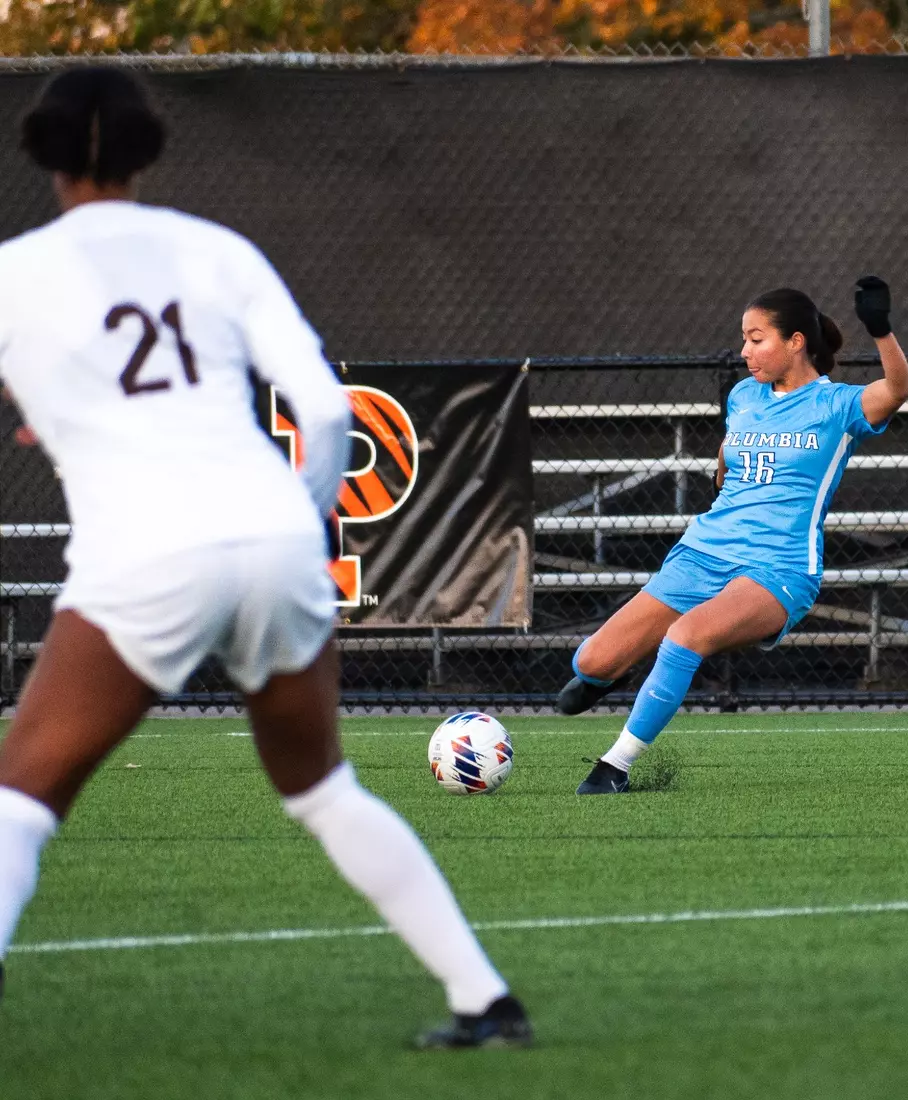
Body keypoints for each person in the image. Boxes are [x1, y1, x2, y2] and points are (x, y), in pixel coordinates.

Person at [0, 68, 529, 1048]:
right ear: (150, 151)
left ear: (38, 153)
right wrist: (300, 519)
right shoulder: (217, 252)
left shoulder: (16, 272)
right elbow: (324, 408)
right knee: (322, 787)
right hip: (279, 536)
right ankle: (484, 999)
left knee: (19, 805)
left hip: (147, 550)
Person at [560, 279, 908, 793]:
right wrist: (725, 462)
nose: (745, 351)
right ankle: (614, 675)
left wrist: (880, 329)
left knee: (686, 637)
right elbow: (731, 451)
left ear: (795, 342)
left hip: (778, 568)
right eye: (744, 339)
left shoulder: (838, 406)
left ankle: (615, 766)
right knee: (590, 660)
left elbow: (898, 389)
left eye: (756, 338)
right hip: (703, 551)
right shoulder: (744, 395)